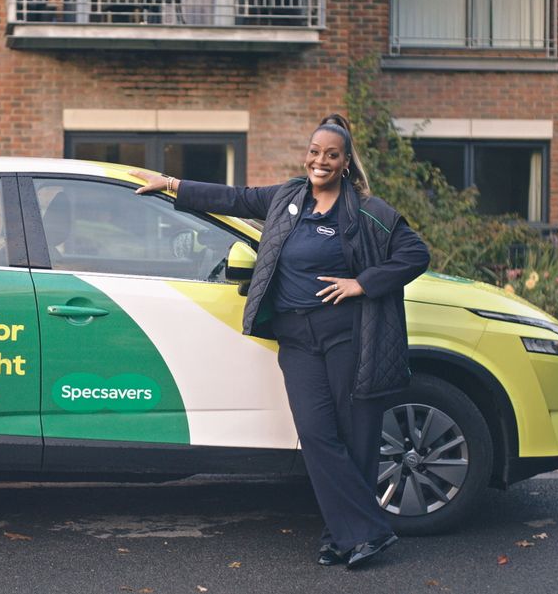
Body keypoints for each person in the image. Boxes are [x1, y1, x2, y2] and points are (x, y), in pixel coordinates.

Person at [133, 114, 430, 569]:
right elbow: (234, 198)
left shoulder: (367, 210)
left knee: (355, 437)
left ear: (346, 162)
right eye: (315, 151)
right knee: (315, 435)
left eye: (331, 155)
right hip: (297, 337)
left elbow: (415, 254)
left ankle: (344, 537)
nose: (320, 160)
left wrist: (362, 284)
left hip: (344, 333)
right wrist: (173, 184)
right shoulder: (287, 197)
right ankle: (363, 532)